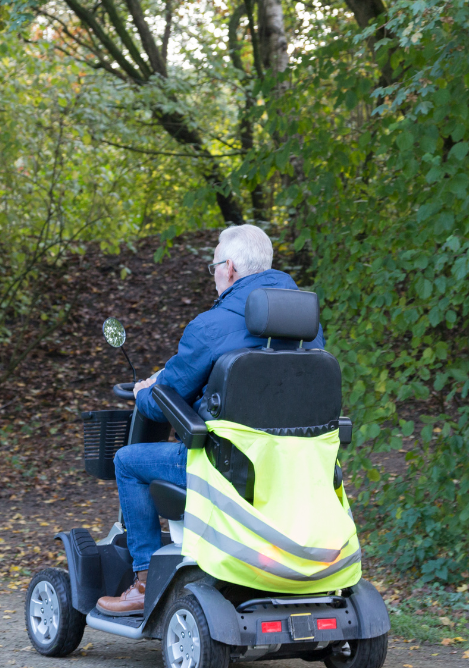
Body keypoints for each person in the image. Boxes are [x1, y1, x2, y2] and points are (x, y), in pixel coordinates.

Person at [95, 224, 325, 616]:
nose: (214, 275)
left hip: (225, 469)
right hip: (294, 469)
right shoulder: (308, 329)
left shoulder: (212, 325)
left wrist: (145, 391)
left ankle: (145, 579)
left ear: (230, 268)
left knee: (127, 461)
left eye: (214, 266)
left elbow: (162, 400)